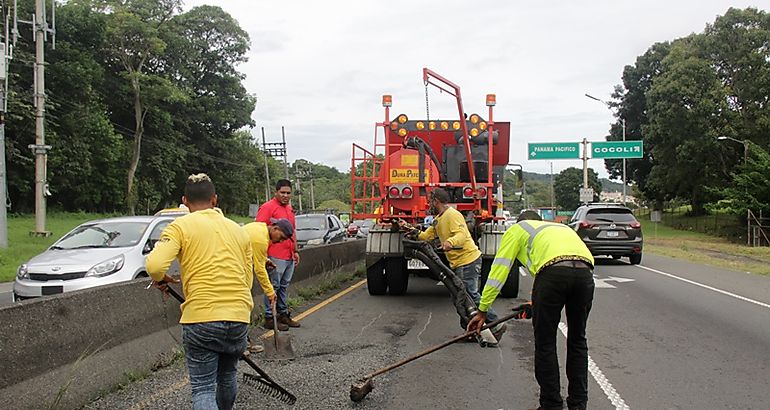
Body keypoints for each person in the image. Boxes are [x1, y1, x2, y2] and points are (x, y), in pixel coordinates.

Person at [146, 173, 254, 410]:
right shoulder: (238, 230)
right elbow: (247, 278)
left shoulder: (180, 227)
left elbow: (154, 266)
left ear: (184, 201)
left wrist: (161, 278)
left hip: (202, 318)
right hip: (238, 316)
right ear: (215, 199)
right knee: (227, 377)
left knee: (203, 387)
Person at [467, 210, 595, 410]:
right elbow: (563, 265)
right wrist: (537, 303)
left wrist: (483, 310)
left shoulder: (518, 229)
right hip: (585, 274)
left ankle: (551, 404)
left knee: (546, 343)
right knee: (578, 340)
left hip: (552, 274)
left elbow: (499, 271)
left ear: (520, 222)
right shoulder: (559, 228)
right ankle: (578, 404)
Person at [401, 188, 506, 340]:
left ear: (436, 201)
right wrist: (410, 229)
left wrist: (450, 242)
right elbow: (426, 236)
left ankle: (496, 324)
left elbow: (462, 235)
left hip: (468, 260)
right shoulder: (439, 219)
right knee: (460, 297)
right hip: (458, 262)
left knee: (470, 295)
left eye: (430, 201)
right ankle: (470, 330)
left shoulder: (452, 215)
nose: (428, 204)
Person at [242, 218, 294, 353]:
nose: (280, 241)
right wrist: (270, 292)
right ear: (275, 228)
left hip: (237, 271)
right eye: (281, 237)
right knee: (241, 308)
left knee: (241, 308)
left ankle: (243, 343)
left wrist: (265, 260)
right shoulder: (261, 239)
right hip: (237, 275)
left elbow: (251, 251)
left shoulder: (258, 228)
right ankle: (241, 345)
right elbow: (259, 270)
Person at [255, 179, 300, 330]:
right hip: (275, 255)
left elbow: (292, 232)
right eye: (282, 192)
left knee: (283, 287)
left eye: (288, 193)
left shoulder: (289, 209)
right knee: (273, 286)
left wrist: (295, 250)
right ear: (276, 192)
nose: (285, 196)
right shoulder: (267, 208)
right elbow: (259, 230)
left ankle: (283, 314)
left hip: (289, 255)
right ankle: (269, 317)